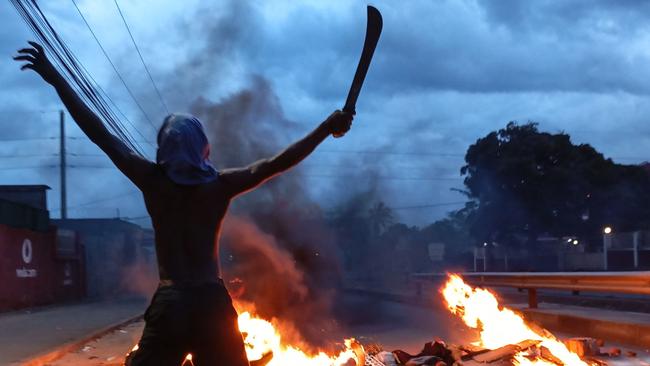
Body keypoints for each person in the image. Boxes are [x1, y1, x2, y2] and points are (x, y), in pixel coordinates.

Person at [14, 41, 353, 366]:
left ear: (163, 147)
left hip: (171, 304)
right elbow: (278, 163)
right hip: (211, 305)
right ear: (203, 148)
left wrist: (54, 76)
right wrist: (325, 127)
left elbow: (98, 132)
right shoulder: (219, 186)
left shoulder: (153, 181)